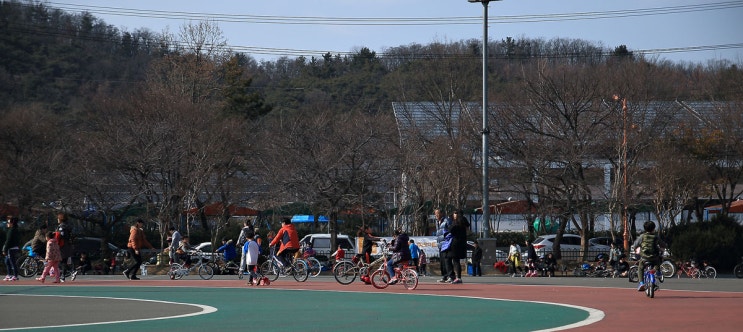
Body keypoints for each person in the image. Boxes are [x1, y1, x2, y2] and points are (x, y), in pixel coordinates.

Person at [632, 221, 665, 291]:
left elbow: (635, 245)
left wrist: (635, 249)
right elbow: (663, 244)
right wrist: (661, 248)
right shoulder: (656, 237)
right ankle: (658, 272)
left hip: (644, 258)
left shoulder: (642, 236)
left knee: (640, 268)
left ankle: (641, 283)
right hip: (654, 257)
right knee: (658, 262)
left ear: (645, 229)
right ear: (654, 228)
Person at [441, 210, 468, 284]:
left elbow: (450, 230)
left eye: (455, 213)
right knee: (456, 260)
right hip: (461, 243)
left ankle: (456, 277)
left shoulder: (456, 223)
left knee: (453, 260)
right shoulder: (464, 222)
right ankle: (456, 277)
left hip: (455, 243)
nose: (454, 215)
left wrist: (449, 227)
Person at [55, 213, 74, 282]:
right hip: (68, 245)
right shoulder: (68, 226)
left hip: (62, 245)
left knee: (62, 260)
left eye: (58, 218)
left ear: (60, 219)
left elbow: (60, 236)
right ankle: (63, 275)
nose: (57, 219)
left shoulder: (61, 227)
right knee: (64, 261)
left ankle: (71, 271)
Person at [434, 209, 452, 279]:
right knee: (442, 261)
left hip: (445, 244)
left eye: (437, 213)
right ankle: (444, 276)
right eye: (435, 214)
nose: (436, 215)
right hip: (440, 244)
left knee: (447, 261)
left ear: (441, 213)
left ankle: (450, 275)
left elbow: (450, 231)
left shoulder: (446, 221)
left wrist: (447, 240)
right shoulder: (437, 222)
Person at [3, 216, 21, 281]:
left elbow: (8, 240)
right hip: (14, 247)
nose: (7, 223)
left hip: (11, 248)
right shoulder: (15, 229)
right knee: (7, 261)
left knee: (12, 262)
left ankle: (15, 275)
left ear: (11, 223)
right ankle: (9, 275)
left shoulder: (12, 230)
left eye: (8, 222)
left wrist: (5, 249)